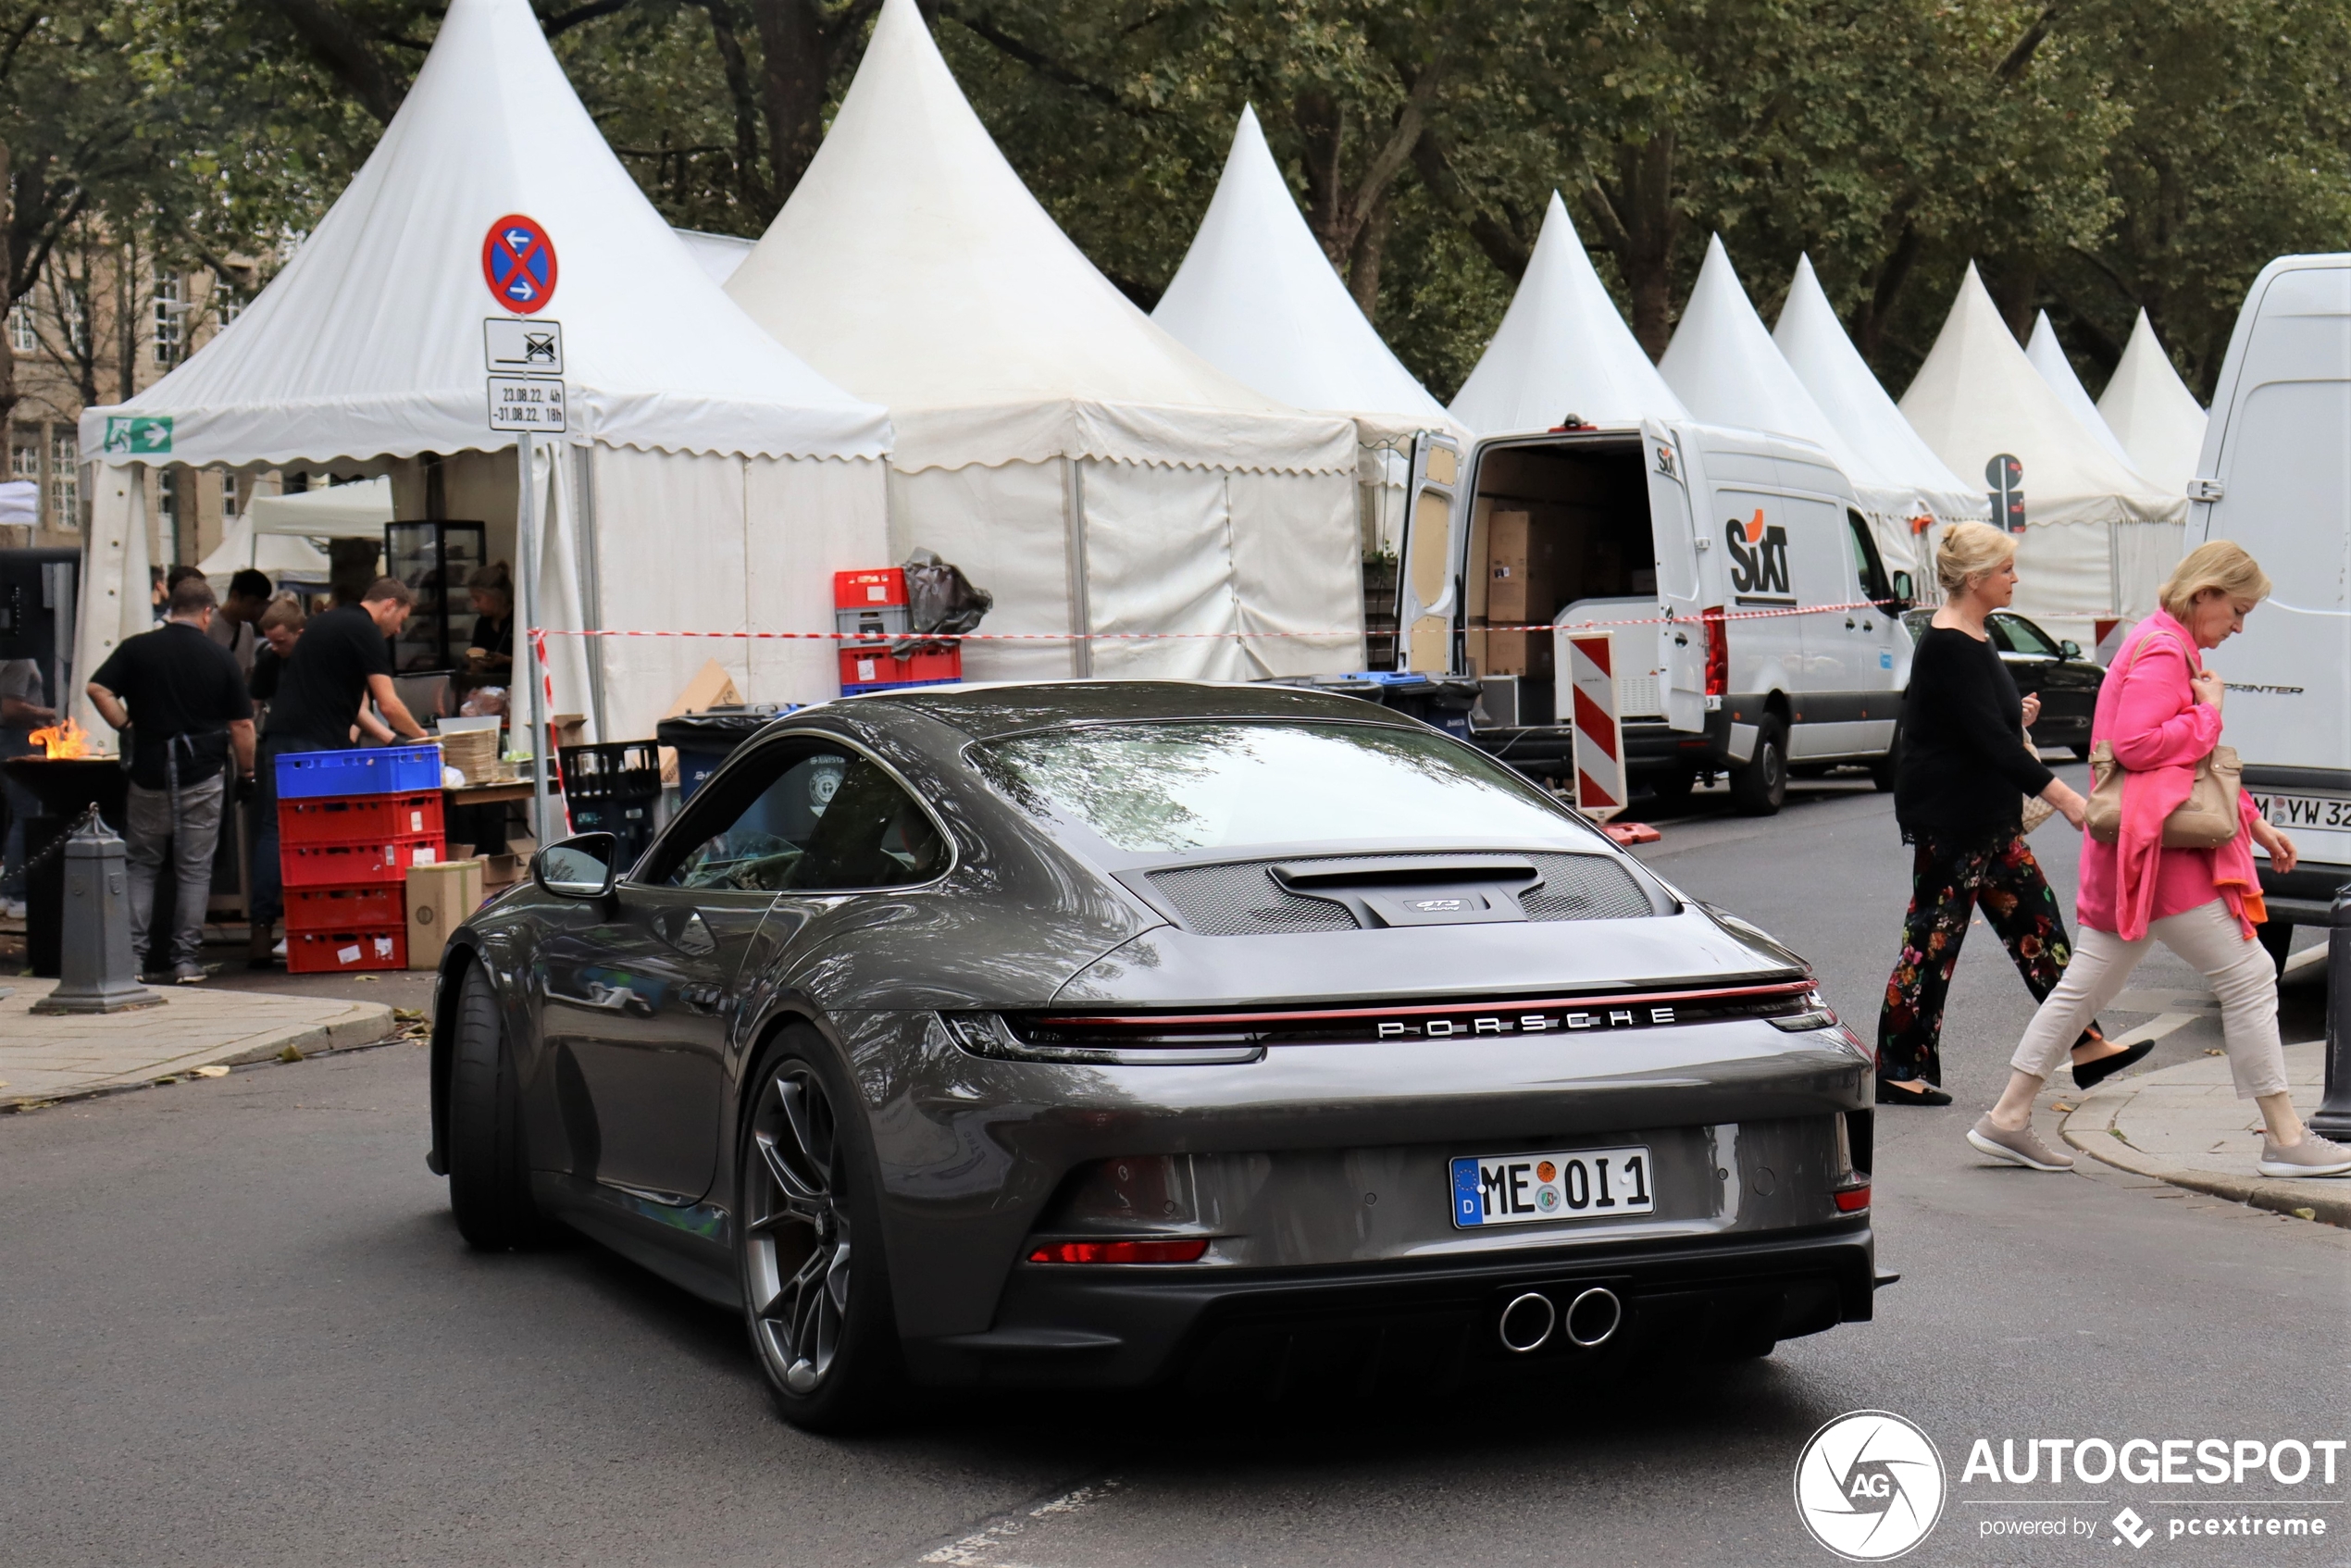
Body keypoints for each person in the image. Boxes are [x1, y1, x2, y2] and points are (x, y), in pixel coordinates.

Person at [1970, 542, 2351, 1176]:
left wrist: (2254, 823)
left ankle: (2008, 1118)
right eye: (2237, 609)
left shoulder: (2161, 642)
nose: (2239, 625)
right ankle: (2285, 1139)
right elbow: (2144, 746)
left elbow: (2188, 767)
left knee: (2084, 989)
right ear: (2205, 593)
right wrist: (2210, 712)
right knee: (2250, 975)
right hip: (2159, 856)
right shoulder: (2165, 650)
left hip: (2132, 854)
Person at [1875, 521, 2126, 1106]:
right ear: (1976, 578)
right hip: (1953, 817)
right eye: (2006, 569)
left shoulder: (1977, 634)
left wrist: (2021, 715)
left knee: (2039, 928)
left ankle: (2086, 1043)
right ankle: (1895, 1067)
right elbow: (1987, 739)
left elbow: (1983, 721)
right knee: (1932, 940)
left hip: (1988, 817)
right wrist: (2066, 799)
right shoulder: (1946, 643)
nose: (2015, 578)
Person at [246, 577, 429, 967]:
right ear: (390, 604)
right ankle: (330, 925)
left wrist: (387, 739)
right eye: (401, 619)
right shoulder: (365, 633)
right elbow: (389, 704)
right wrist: (424, 740)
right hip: (318, 744)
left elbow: (350, 703)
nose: (398, 629)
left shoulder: (327, 622)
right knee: (330, 836)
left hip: (280, 736)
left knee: (275, 831)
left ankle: (263, 931)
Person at [85, 577, 256, 984]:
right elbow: (242, 725)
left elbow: (97, 688)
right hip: (202, 773)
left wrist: (127, 725)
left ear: (171, 608)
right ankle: (185, 961)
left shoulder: (137, 648)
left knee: (142, 865)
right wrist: (247, 772)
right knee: (194, 870)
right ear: (206, 613)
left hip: (149, 772)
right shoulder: (219, 657)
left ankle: (133, 960)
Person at [0, 654, 57, 918]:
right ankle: (16, 893)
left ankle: (7, 890)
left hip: (11, 738)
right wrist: (51, 714)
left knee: (16, 814)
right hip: (18, 737)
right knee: (26, 814)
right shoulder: (18, 658)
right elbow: (10, 708)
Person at [207, 568, 272, 679]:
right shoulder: (208, 625)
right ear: (235, 596)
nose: (257, 610)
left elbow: (247, 672)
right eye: (254, 603)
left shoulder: (247, 630)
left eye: (261, 604)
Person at [465, 563, 515, 680]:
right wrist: (474, 664)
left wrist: (505, 660)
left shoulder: (519, 621)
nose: (475, 605)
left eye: (478, 599)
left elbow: (535, 663)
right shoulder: (483, 624)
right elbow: (475, 670)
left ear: (497, 595)